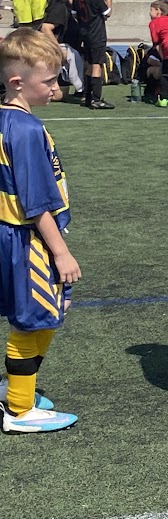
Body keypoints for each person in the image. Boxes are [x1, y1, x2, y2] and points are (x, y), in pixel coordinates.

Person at [0, 28, 81, 433]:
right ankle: (19, 409)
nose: (56, 87)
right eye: (48, 80)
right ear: (18, 82)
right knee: (33, 318)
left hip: (12, 235)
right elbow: (36, 203)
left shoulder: (7, 119)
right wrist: (61, 252)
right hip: (28, 237)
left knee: (43, 313)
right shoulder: (26, 130)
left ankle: (16, 385)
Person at [72, 0, 114, 110]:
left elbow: (75, 14)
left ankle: (87, 96)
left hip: (84, 33)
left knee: (89, 65)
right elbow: (106, 13)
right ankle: (96, 99)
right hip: (97, 34)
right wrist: (109, 3)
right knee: (97, 65)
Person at [40, 0, 84, 101]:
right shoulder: (60, 8)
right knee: (72, 55)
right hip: (54, 45)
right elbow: (45, 28)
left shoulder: (69, 9)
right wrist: (57, 49)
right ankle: (81, 89)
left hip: (64, 44)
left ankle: (70, 85)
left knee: (60, 95)